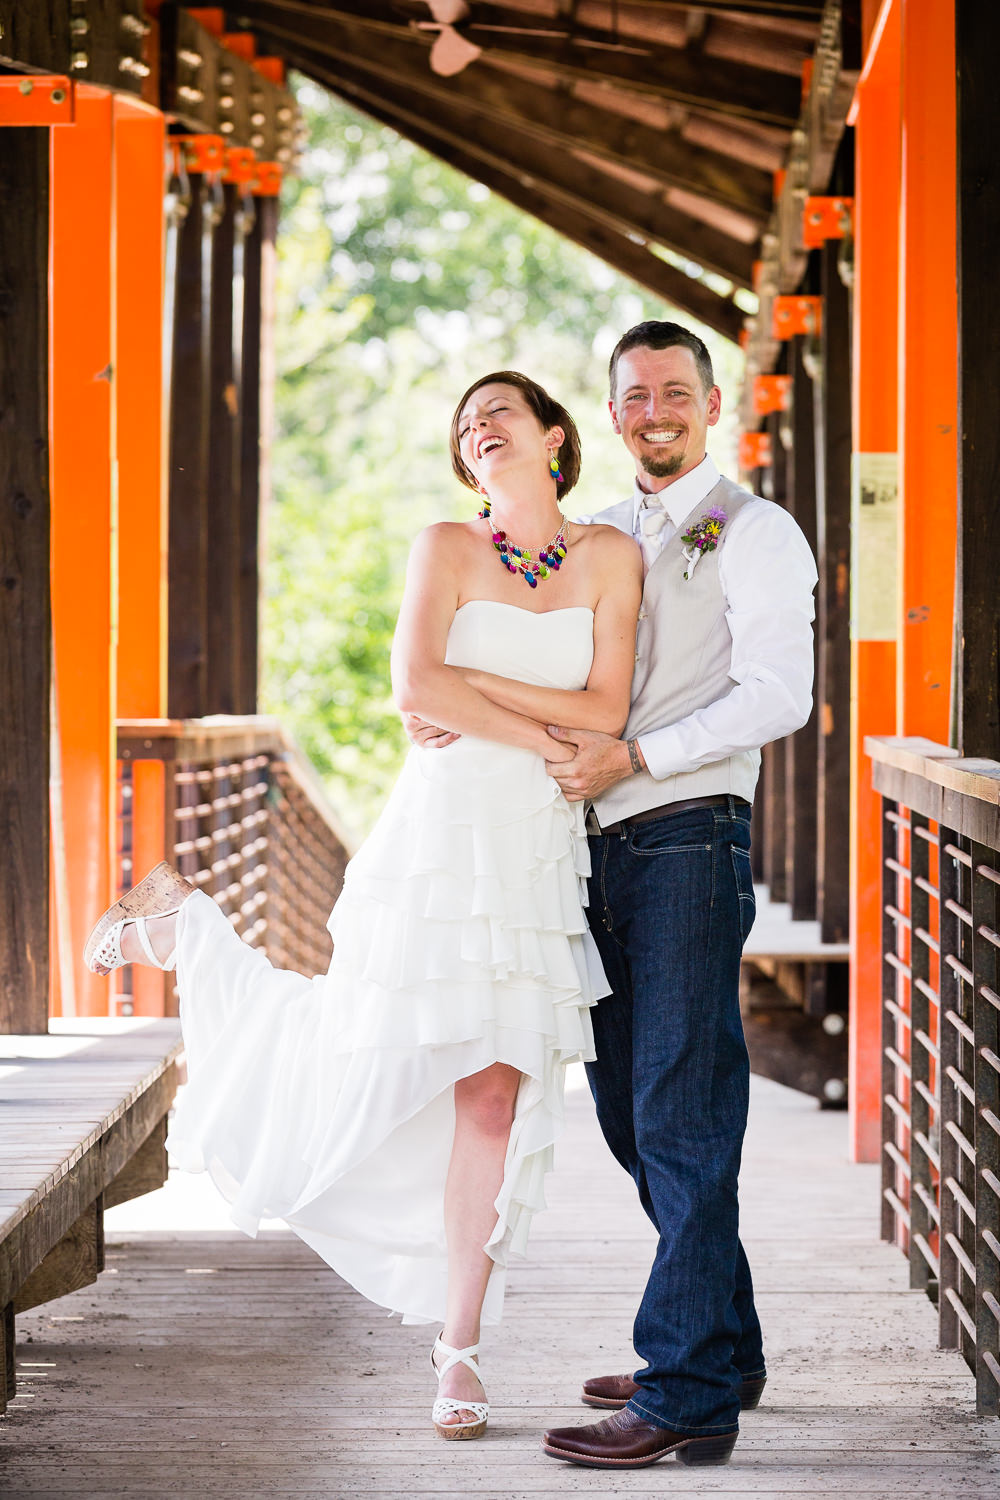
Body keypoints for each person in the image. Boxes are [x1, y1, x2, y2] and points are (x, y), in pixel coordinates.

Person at [83, 371, 641, 1444]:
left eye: (500, 415)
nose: (478, 430)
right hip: (437, 841)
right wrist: (544, 730)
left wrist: (486, 698)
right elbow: (415, 691)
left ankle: (459, 1351)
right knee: (367, 1053)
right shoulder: (446, 546)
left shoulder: (610, 557)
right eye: (465, 423)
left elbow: (606, 707)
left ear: (555, 438)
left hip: (531, 850)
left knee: (491, 1100)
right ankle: (189, 928)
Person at [539, 322, 818, 1468]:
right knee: (623, 1109)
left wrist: (641, 761)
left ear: (711, 402)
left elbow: (780, 695)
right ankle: (723, 1342)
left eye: (674, 391)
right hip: (592, 847)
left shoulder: (753, 531)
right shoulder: (596, 532)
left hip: (687, 839)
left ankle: (687, 1390)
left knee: (680, 1109)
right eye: (633, 394)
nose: (654, 409)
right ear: (610, 416)